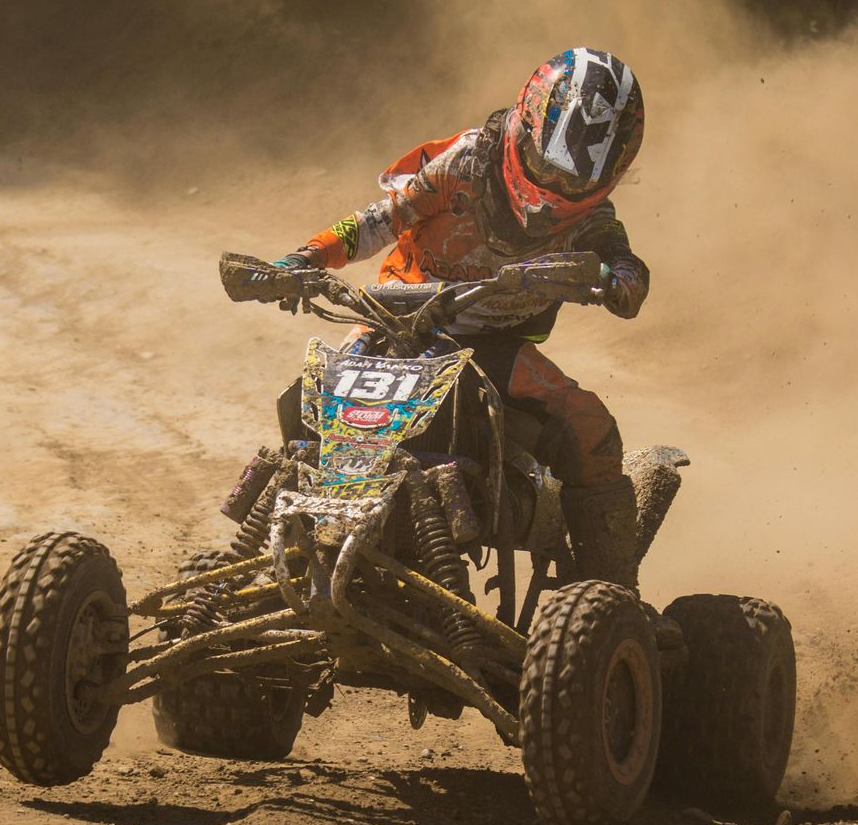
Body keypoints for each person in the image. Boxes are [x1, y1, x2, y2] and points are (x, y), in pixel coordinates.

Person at [273, 47, 650, 589]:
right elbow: (380, 220)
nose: (551, 189)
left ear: (610, 176)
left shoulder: (593, 222)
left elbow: (629, 269)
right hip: (398, 319)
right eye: (545, 166)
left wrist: (618, 284)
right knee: (308, 398)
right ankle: (273, 539)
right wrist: (307, 258)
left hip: (494, 345)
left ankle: (615, 590)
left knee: (589, 427)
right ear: (524, 125)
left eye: (573, 183)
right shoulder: (466, 164)